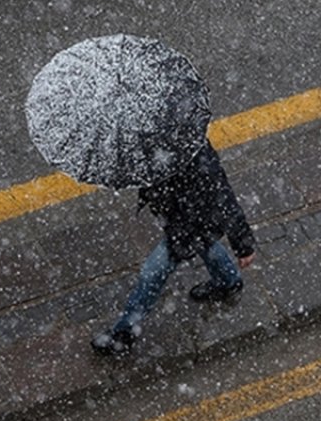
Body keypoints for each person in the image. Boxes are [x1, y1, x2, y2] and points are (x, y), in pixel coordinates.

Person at [92, 139, 256, 355]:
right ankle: (228, 281)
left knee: (152, 272)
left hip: (190, 223)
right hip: (182, 219)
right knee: (205, 244)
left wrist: (243, 244)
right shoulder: (151, 145)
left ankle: (123, 333)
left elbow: (223, 197)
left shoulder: (195, 152)